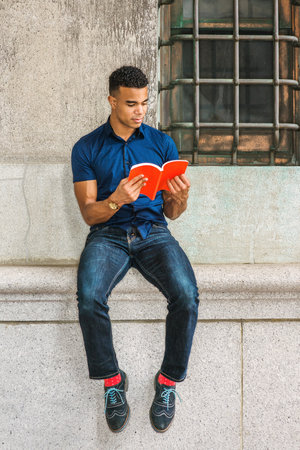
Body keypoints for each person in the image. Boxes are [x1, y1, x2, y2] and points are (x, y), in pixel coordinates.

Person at [71, 66, 199, 433]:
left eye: (144, 103)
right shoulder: (87, 147)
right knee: (89, 297)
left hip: (153, 232)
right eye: (131, 103)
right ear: (112, 101)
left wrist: (181, 199)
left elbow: (172, 214)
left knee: (187, 295)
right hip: (107, 234)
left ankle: (168, 381)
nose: (140, 110)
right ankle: (113, 382)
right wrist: (115, 200)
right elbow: (87, 213)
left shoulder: (161, 144)